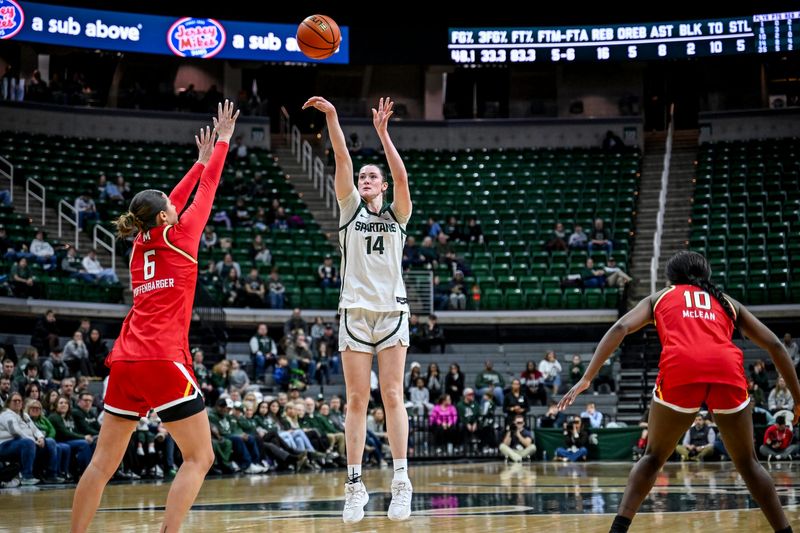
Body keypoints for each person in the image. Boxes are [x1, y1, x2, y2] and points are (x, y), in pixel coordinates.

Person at [70, 101, 239, 533]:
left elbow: (172, 201)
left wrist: (195, 162)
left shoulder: (138, 245)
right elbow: (208, 189)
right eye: (168, 205)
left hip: (125, 360)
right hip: (163, 359)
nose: (174, 203)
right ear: (165, 216)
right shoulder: (183, 236)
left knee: (102, 464)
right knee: (201, 457)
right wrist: (220, 145)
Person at [558, 250, 800, 533]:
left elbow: (622, 326)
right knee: (748, 463)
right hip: (727, 369)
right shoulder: (726, 301)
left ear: (671, 276)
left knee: (653, 457)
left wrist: (587, 377)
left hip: (681, 367)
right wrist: (798, 399)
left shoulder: (660, 296)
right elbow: (776, 345)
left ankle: (618, 530)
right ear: (705, 275)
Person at [304, 95, 413, 523]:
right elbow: (342, 160)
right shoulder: (348, 210)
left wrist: (384, 135)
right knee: (355, 399)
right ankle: (354, 485)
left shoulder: (397, 216)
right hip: (353, 312)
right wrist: (333, 116)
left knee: (392, 395)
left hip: (391, 312)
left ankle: (400, 482)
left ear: (382, 186)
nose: (366, 178)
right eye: (364, 175)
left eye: (374, 176)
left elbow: (402, 179)